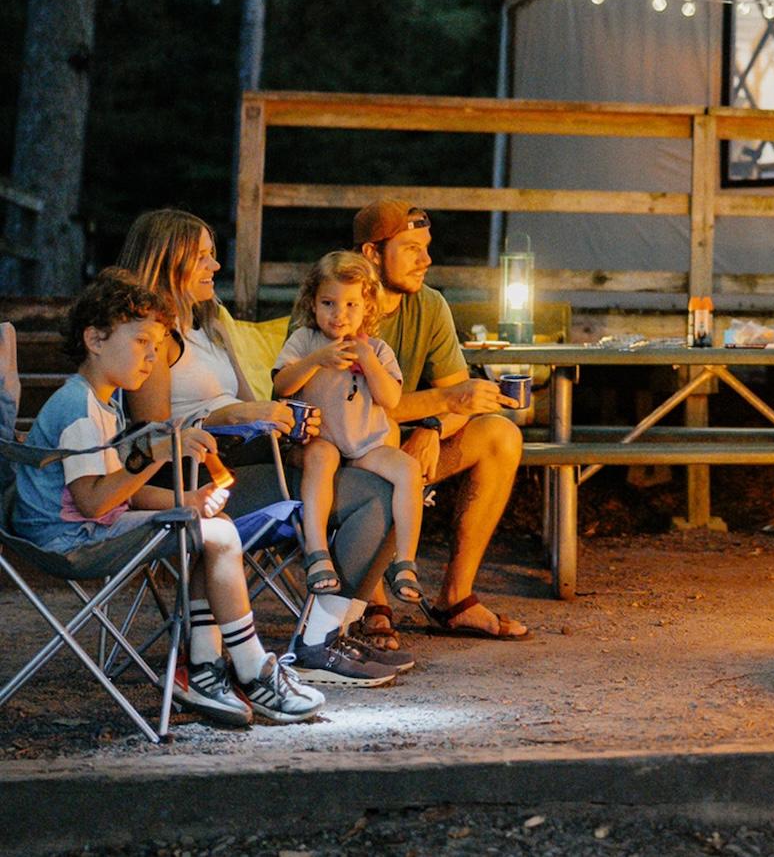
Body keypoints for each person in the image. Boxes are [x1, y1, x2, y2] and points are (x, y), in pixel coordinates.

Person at [12, 268, 325, 727]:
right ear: (95, 340)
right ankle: (250, 668)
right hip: (69, 541)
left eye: (157, 347)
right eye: (141, 342)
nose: (151, 357)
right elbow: (95, 503)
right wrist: (157, 454)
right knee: (216, 536)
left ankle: (205, 669)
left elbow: (121, 497)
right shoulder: (77, 407)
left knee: (204, 530)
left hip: (82, 527)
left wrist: (186, 501)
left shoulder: (102, 400)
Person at [121, 208, 410, 686]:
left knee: (399, 485)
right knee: (377, 495)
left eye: (214, 257)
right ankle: (319, 641)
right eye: (203, 258)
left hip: (251, 455)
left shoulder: (209, 326)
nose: (216, 267)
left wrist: (282, 418)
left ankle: (325, 632)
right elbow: (151, 434)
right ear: (168, 261)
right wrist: (232, 416)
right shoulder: (151, 337)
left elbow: (251, 399)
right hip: (196, 478)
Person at [355, 200, 530, 640]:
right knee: (382, 436)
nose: (426, 259)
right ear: (372, 254)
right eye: (411, 248)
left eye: (426, 247)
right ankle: (369, 603)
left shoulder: (430, 306)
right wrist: (442, 403)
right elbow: (351, 413)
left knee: (499, 434)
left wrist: (432, 427)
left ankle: (455, 597)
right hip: (346, 455)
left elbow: (462, 402)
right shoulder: (340, 303)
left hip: (409, 446)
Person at [273, 251, 425, 607]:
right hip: (318, 441)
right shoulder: (305, 341)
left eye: (350, 305)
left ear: (367, 306)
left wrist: (369, 360)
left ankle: (404, 561)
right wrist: (316, 361)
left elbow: (391, 398)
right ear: (313, 302)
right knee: (322, 457)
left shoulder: (377, 349)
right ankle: (317, 552)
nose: (339, 314)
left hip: (364, 446)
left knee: (408, 469)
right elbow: (282, 385)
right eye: (328, 303)